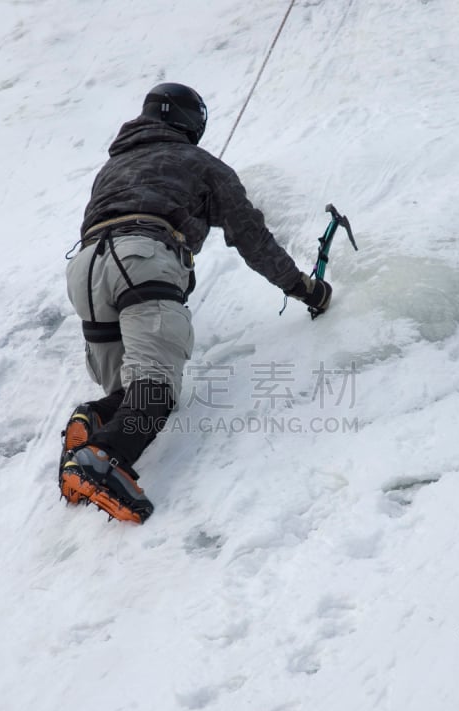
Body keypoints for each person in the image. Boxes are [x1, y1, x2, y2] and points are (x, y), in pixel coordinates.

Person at [60, 82, 332, 523]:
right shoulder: (200, 163)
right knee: (156, 389)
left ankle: (91, 422)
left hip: (85, 268)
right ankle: (100, 459)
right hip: (144, 258)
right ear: (190, 122)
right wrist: (305, 289)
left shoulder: (111, 169)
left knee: (131, 392)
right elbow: (253, 239)